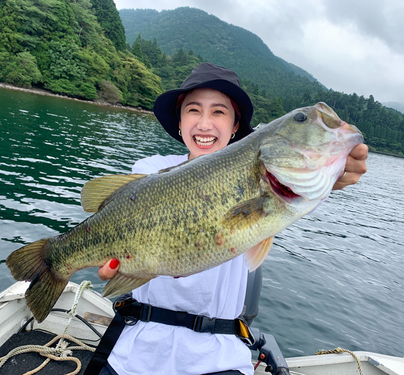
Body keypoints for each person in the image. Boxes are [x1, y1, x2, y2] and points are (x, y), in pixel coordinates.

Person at [95, 63, 368, 375]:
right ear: (180, 122)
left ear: (236, 125)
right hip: (137, 350)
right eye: (193, 110)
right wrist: (116, 269)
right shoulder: (150, 169)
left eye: (219, 112)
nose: (205, 123)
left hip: (219, 356)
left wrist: (336, 173)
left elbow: (307, 185)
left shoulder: (278, 187)